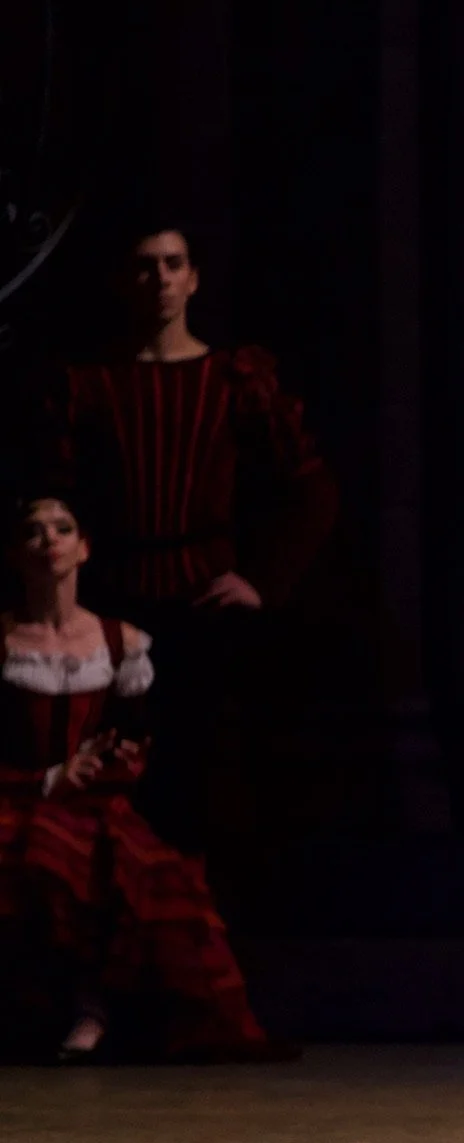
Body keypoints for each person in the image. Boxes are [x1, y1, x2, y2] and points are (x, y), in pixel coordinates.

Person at [31, 218, 336, 851]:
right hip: (113, 604)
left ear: (193, 279)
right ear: (125, 281)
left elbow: (311, 488)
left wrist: (262, 580)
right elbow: (51, 494)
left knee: (198, 779)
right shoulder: (89, 386)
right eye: (147, 266)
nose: (161, 280)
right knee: (110, 775)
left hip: (204, 609)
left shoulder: (231, 379)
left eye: (173, 265)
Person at [0, 495, 273, 1060]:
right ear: (14, 554)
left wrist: (95, 770)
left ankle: (93, 1008)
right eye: (33, 531)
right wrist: (51, 779)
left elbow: (134, 743)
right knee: (39, 849)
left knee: (126, 862)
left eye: (62, 528)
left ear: (84, 548)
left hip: (96, 802)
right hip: (16, 795)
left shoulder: (121, 642)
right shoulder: (3, 642)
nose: (49, 539)